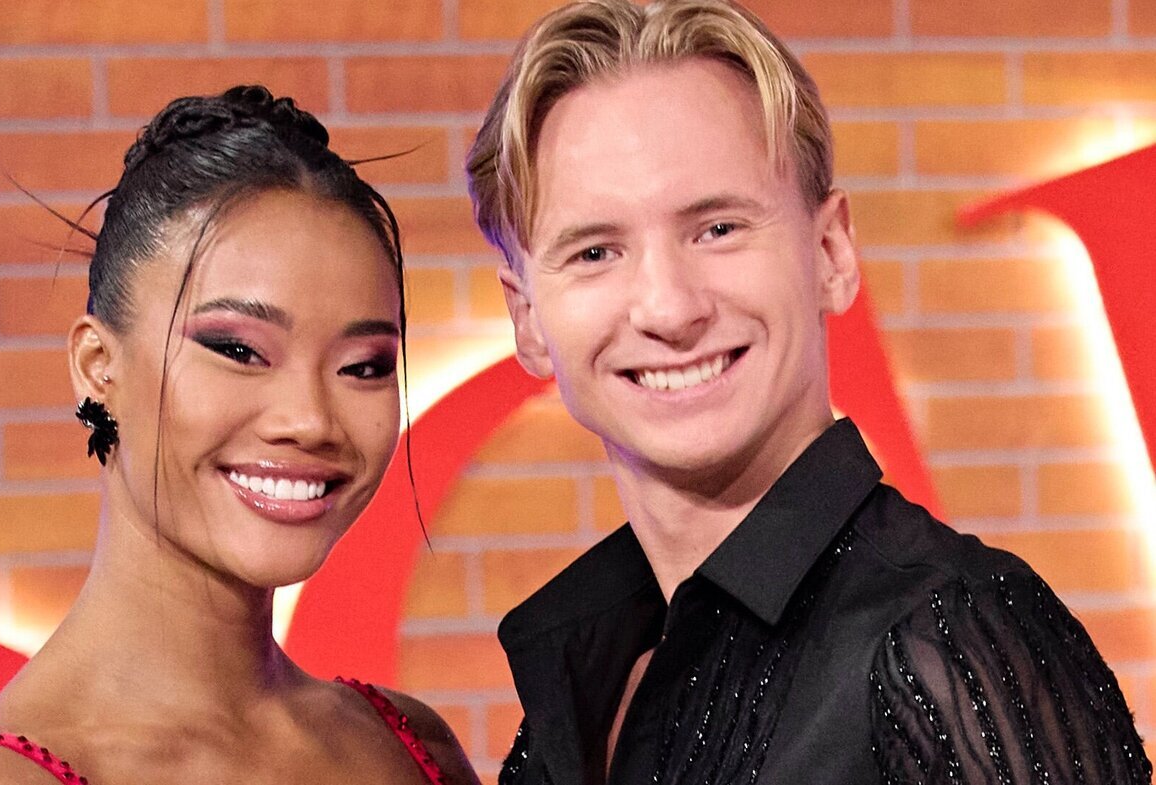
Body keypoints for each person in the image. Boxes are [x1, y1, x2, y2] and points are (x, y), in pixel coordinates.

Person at [465, 1, 1151, 783]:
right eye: (595, 251)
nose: (669, 308)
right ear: (526, 318)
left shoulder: (949, 634)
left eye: (718, 228)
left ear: (830, 252)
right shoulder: (584, 680)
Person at [0, 84, 479, 785]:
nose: (310, 420)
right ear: (98, 367)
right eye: (239, 350)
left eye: (362, 366)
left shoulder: (411, 742)